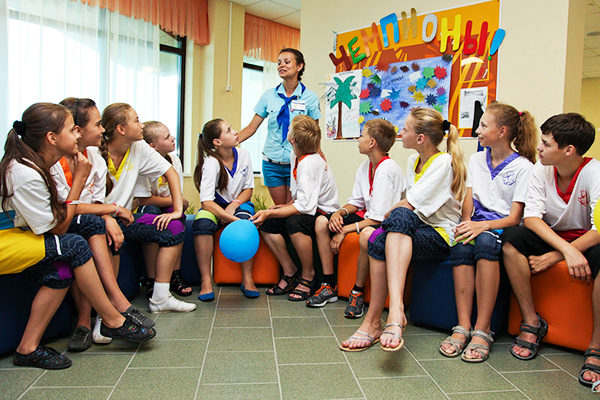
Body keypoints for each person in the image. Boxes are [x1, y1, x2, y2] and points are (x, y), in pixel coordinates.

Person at [0, 103, 155, 369]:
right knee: (73, 245)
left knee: (64, 266)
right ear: (52, 138)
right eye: (73, 130)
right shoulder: (26, 173)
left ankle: (27, 349)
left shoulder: (38, 163)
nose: (78, 135)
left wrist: (105, 213)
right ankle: (111, 319)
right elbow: (59, 227)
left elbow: (60, 215)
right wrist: (80, 180)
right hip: (9, 238)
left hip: (26, 234)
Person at [340, 108, 465, 352]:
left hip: (440, 235)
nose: (400, 132)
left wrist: (391, 214)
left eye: (405, 129)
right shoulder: (412, 161)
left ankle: (391, 313)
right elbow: (410, 208)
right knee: (377, 239)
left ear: (420, 138)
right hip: (416, 228)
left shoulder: (444, 162)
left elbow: (410, 204)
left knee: (399, 215)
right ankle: (377, 320)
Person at [500, 113, 600, 388]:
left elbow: (598, 229)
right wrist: (564, 250)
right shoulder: (540, 169)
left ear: (568, 150)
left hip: (587, 240)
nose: (539, 147)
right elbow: (531, 218)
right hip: (554, 238)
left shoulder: (595, 173)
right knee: (512, 238)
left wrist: (557, 255)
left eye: (545, 143)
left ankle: (596, 344)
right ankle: (532, 322)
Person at [52, 98, 154, 351]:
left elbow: (96, 202)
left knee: (104, 231)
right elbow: (66, 210)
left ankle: (96, 318)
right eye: (97, 125)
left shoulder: (95, 158)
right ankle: (106, 309)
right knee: (90, 229)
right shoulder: (53, 162)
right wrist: (112, 210)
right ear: (77, 130)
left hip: (86, 220)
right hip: (58, 223)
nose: (102, 130)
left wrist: (108, 216)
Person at [439, 103, 537, 362]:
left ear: (502, 131)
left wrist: (481, 226)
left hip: (501, 227)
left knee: (484, 241)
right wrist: (466, 223)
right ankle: (463, 326)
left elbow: (514, 218)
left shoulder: (524, 167)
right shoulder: (477, 159)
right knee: (461, 242)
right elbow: (469, 197)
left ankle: (482, 330)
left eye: (483, 125)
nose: (478, 131)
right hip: (477, 223)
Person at [100, 103, 196, 314]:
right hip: (98, 219)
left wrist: (177, 211)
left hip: (124, 219)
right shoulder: (94, 153)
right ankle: (105, 313)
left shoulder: (138, 147)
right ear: (121, 129)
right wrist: (107, 216)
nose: (141, 125)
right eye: (136, 120)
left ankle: (160, 298)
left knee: (174, 228)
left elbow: (170, 172)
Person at [307, 119, 406, 314]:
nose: (358, 139)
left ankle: (357, 292)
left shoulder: (387, 169)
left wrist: (344, 230)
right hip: (367, 216)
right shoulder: (365, 166)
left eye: (362, 135)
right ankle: (329, 284)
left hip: (385, 224)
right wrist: (339, 213)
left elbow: (378, 219)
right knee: (321, 222)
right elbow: (357, 202)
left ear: (372, 143)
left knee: (365, 236)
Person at [252, 115, 339, 301]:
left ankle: (308, 276)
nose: (287, 128)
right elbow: (299, 195)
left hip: (323, 213)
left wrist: (271, 212)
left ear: (292, 139)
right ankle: (290, 271)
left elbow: (306, 207)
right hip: (308, 207)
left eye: (289, 127)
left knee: (294, 223)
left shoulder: (309, 163)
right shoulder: (296, 155)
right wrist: (281, 208)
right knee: (268, 224)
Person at [239, 48, 321, 205]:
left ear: (299, 66)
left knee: (293, 208)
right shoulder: (269, 96)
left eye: (287, 62)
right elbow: (251, 128)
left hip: (297, 161)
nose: (281, 65)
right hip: (271, 163)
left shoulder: (310, 97)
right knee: (279, 207)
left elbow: (314, 133)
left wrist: (319, 154)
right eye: (278, 63)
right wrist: (230, 142)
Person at [192, 119, 258, 300]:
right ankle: (206, 281)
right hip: (214, 205)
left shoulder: (244, 154)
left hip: (239, 202)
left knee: (246, 222)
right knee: (202, 224)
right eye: (229, 130)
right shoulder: (211, 163)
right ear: (217, 142)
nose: (235, 132)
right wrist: (229, 217)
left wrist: (233, 206)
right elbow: (206, 202)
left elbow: (248, 190)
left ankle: (247, 278)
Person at [134, 121, 192, 299]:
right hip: (146, 206)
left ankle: (175, 274)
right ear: (152, 146)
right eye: (167, 137)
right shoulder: (141, 161)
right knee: (150, 210)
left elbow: (177, 195)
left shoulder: (174, 160)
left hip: (165, 204)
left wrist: (176, 203)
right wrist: (176, 201)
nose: (173, 138)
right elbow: (143, 199)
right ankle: (151, 279)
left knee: (177, 216)